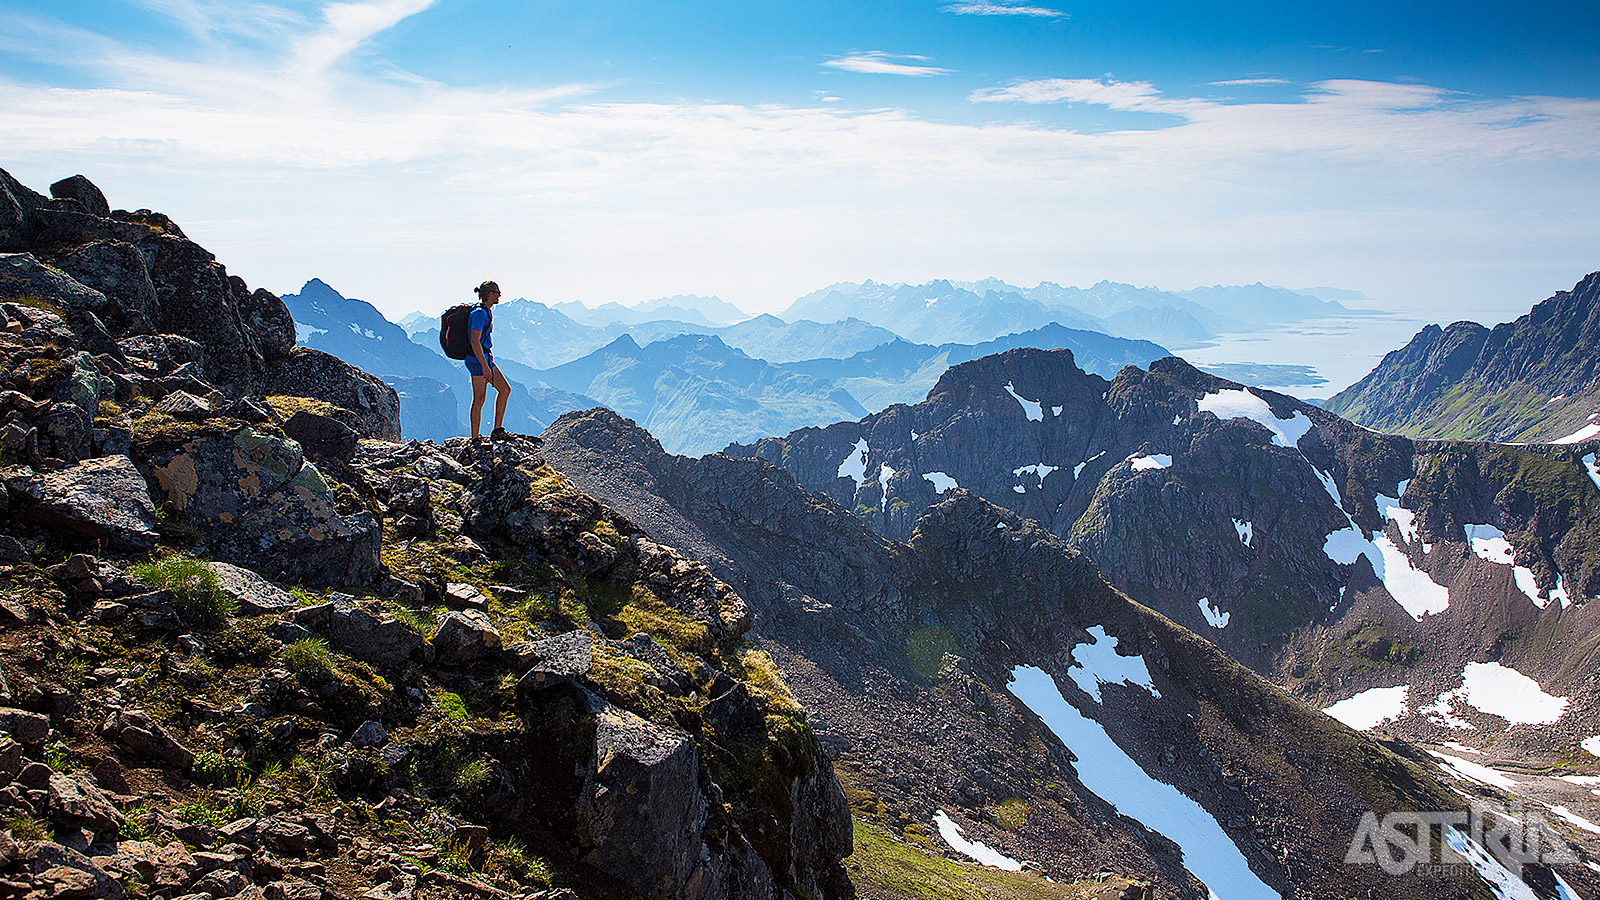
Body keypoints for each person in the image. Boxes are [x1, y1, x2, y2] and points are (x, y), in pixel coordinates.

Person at [466, 280, 510, 441]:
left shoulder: (486, 311)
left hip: (485, 358)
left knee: (505, 389)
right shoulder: (478, 313)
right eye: (497, 292)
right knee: (479, 398)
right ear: (490, 294)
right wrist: (484, 367)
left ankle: (497, 430)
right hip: (477, 360)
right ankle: (475, 438)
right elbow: (474, 341)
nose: (499, 295)